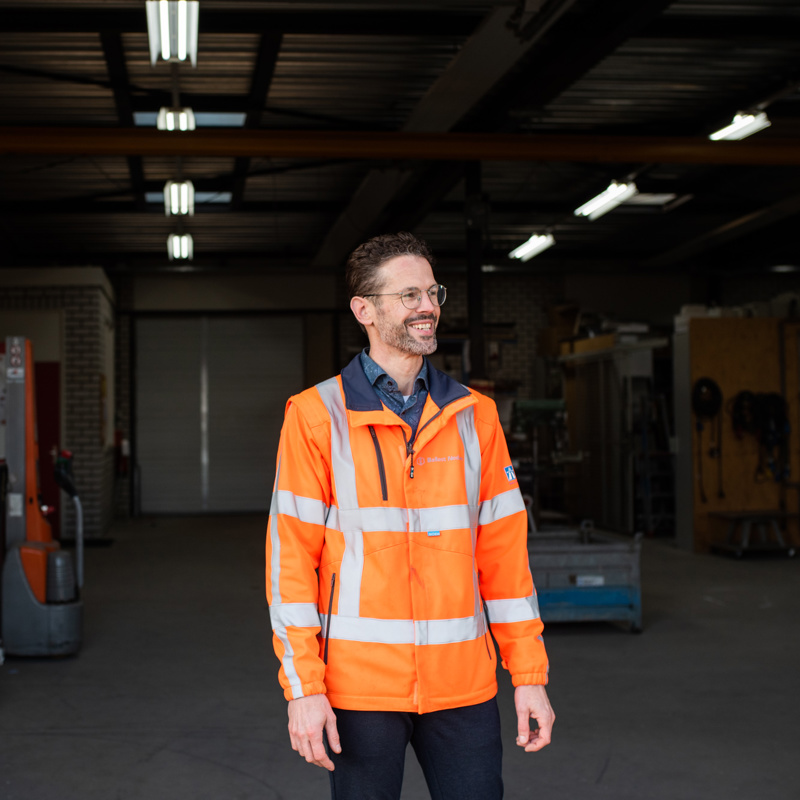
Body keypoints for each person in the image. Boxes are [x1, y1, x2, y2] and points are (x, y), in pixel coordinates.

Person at [266, 231, 553, 800]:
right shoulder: (316, 416)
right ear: (364, 310)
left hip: (463, 687)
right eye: (410, 295)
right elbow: (291, 565)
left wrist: (529, 676)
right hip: (359, 691)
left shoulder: (476, 417)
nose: (429, 306)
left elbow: (504, 562)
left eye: (433, 292)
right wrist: (304, 687)